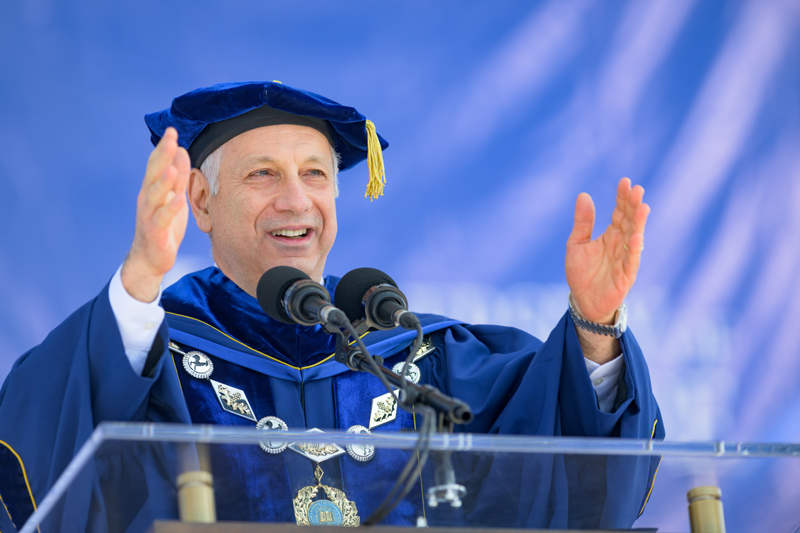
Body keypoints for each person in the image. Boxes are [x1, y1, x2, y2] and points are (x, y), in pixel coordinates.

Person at [0, 81, 663, 532]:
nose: (296, 200)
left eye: (315, 174)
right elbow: (51, 457)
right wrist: (141, 276)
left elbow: (565, 465)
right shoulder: (155, 350)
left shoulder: (412, 354)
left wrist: (595, 324)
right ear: (200, 202)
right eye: (264, 174)